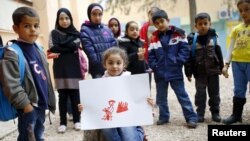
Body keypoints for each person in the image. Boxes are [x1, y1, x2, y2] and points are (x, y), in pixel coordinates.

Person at [0, 6, 56, 141]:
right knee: (27, 137)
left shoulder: (39, 49)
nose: (33, 30)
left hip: (41, 104)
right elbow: (11, 84)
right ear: (15, 28)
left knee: (39, 134)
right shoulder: (12, 53)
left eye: (36, 26)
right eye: (27, 26)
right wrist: (26, 106)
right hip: (28, 107)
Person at [79, 47, 152, 141]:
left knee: (128, 136)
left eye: (118, 63)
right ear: (104, 64)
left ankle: (139, 132)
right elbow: (94, 104)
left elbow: (140, 101)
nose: (114, 66)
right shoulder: (99, 83)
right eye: (110, 63)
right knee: (106, 128)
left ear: (124, 64)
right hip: (109, 119)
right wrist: (84, 107)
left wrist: (148, 103)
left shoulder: (131, 80)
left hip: (127, 118)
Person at [148, 10, 198, 128]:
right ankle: (164, 117)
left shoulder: (178, 33)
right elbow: (150, 55)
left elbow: (185, 49)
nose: (160, 24)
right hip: (160, 73)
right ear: (154, 25)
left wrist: (178, 61)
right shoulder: (154, 38)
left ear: (168, 21)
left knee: (182, 95)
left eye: (162, 21)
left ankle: (191, 117)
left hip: (175, 71)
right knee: (161, 98)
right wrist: (155, 66)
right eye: (157, 23)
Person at [47, 8, 84, 133]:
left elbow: (75, 45)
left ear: (71, 19)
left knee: (75, 96)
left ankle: (77, 120)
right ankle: (62, 122)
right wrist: (67, 47)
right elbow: (52, 47)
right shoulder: (53, 33)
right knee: (62, 97)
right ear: (58, 20)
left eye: (67, 18)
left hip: (73, 68)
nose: (64, 21)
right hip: (60, 69)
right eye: (61, 18)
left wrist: (61, 47)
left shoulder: (76, 33)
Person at [184, 13, 224, 123]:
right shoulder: (192, 39)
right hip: (199, 73)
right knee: (200, 94)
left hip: (213, 71)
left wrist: (222, 67)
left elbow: (219, 52)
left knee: (214, 94)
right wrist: (188, 72)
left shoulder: (214, 36)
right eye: (200, 24)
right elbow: (188, 57)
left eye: (205, 23)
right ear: (195, 26)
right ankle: (200, 113)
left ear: (210, 23)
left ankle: (215, 112)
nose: (203, 26)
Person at [222, 0, 250, 125]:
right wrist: (226, 64)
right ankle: (236, 115)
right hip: (237, 64)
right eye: (241, 10)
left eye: (247, 9)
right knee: (238, 90)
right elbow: (230, 47)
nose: (243, 13)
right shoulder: (236, 29)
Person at [80, 3, 117, 79]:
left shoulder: (106, 29)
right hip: (97, 70)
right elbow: (90, 53)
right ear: (89, 15)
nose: (97, 17)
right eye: (94, 14)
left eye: (100, 14)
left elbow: (114, 47)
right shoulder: (85, 30)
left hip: (111, 67)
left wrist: (113, 63)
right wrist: (104, 65)